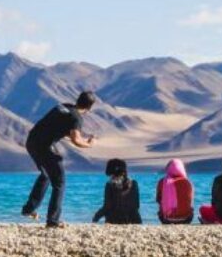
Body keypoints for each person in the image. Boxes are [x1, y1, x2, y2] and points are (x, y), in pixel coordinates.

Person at [22, 92, 96, 228]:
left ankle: (29, 209)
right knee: (59, 182)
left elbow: (59, 128)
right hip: (44, 146)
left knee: (46, 174)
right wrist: (88, 144)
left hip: (31, 141)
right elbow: (76, 140)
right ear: (89, 108)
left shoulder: (63, 106)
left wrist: (79, 138)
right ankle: (53, 221)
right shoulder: (76, 117)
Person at [92, 159, 142, 224]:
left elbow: (107, 207)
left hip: (114, 220)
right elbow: (137, 205)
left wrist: (95, 218)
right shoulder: (134, 183)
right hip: (133, 220)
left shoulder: (110, 185)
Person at [156, 159, 194, 224]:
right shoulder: (187, 182)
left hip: (167, 219)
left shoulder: (162, 182)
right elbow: (190, 201)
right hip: (186, 219)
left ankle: (168, 214)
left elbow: (158, 200)